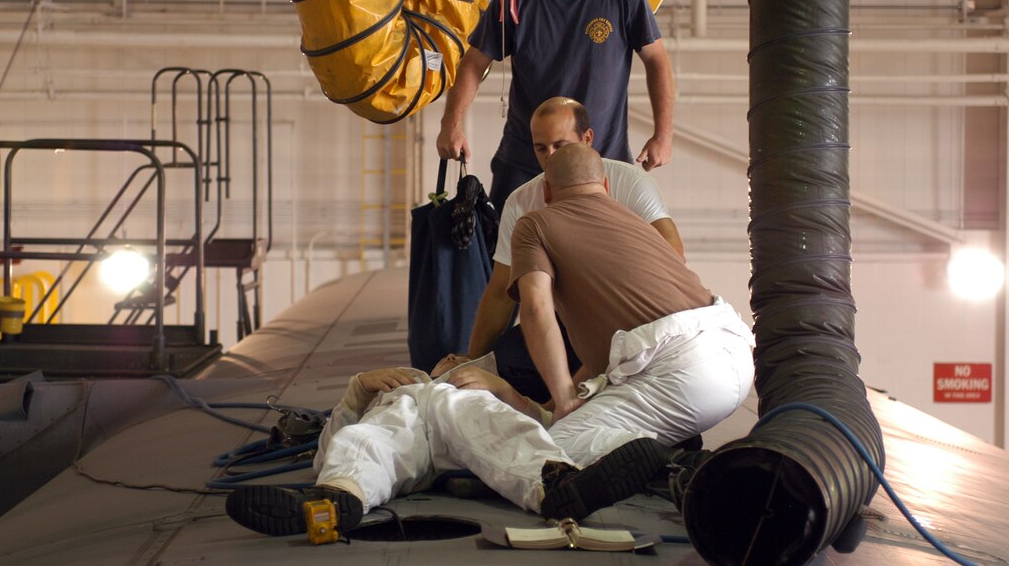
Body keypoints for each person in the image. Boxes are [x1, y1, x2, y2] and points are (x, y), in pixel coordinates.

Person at [225, 353, 676, 536]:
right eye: (448, 358)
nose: (453, 360)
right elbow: (331, 445)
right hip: (398, 418)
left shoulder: (473, 391)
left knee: (496, 430)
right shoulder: (392, 391)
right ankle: (337, 500)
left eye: (461, 358)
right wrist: (357, 389)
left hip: (463, 415)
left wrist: (498, 388)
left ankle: (556, 485)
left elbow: (540, 425)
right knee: (363, 441)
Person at [509, 144, 755, 471]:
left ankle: (685, 465)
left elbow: (536, 308)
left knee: (546, 452)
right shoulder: (635, 221)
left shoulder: (535, 224)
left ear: (547, 190)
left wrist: (565, 399)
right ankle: (667, 458)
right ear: (606, 186)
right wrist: (557, 402)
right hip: (733, 354)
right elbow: (615, 352)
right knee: (581, 427)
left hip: (680, 371)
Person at [436, 0, 675, 213]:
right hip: (525, 161)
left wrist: (663, 135)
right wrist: (451, 124)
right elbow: (474, 62)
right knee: (505, 253)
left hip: (602, 160)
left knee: (606, 258)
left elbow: (657, 60)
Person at [465, 96, 684, 401]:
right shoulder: (521, 202)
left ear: (587, 139)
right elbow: (503, 290)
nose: (550, 156)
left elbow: (674, 256)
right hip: (570, 324)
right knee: (508, 362)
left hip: (635, 319)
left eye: (561, 145)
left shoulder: (630, 182)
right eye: (540, 148)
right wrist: (473, 360)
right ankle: (551, 413)